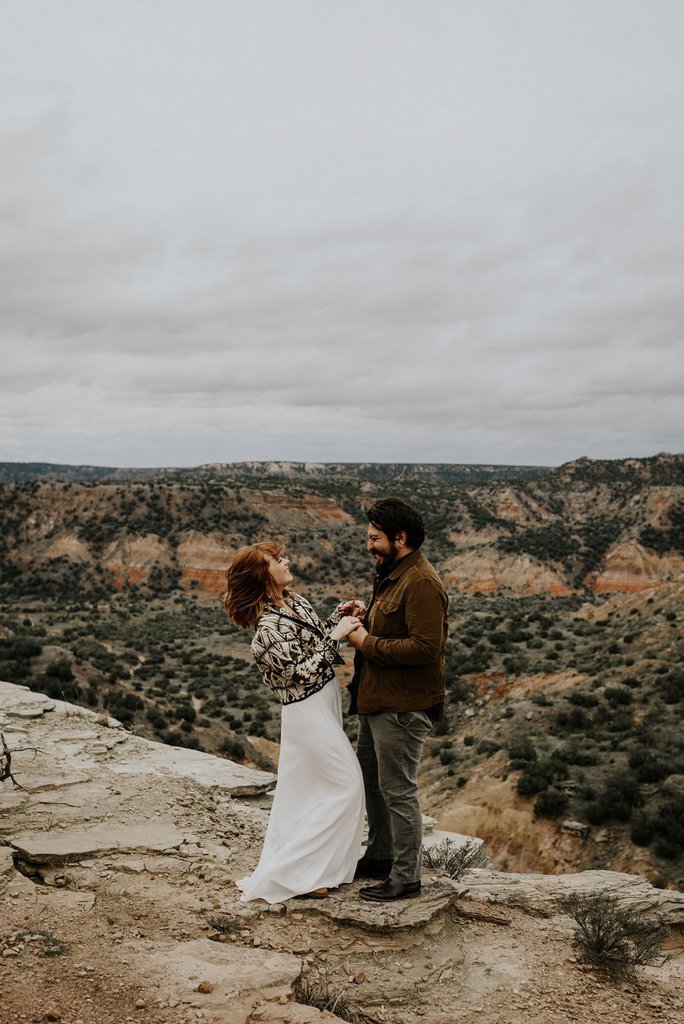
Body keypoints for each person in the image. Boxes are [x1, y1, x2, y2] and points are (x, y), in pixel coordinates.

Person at [223, 541, 365, 904]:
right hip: (305, 711)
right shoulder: (265, 632)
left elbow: (316, 638)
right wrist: (335, 636)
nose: (286, 562)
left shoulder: (295, 601)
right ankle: (295, 871)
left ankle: (316, 872)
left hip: (324, 700)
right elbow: (300, 673)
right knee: (347, 785)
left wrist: (341, 615)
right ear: (261, 575)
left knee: (307, 791)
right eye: (277, 560)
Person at [347, 498, 448, 902]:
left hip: (402, 708)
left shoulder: (422, 582)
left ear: (399, 538)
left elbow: (426, 648)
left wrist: (365, 641)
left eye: (374, 538)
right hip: (377, 701)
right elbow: (395, 624)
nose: (369, 545)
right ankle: (381, 855)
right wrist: (364, 614)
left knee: (397, 788)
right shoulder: (393, 573)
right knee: (372, 783)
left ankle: (406, 877)